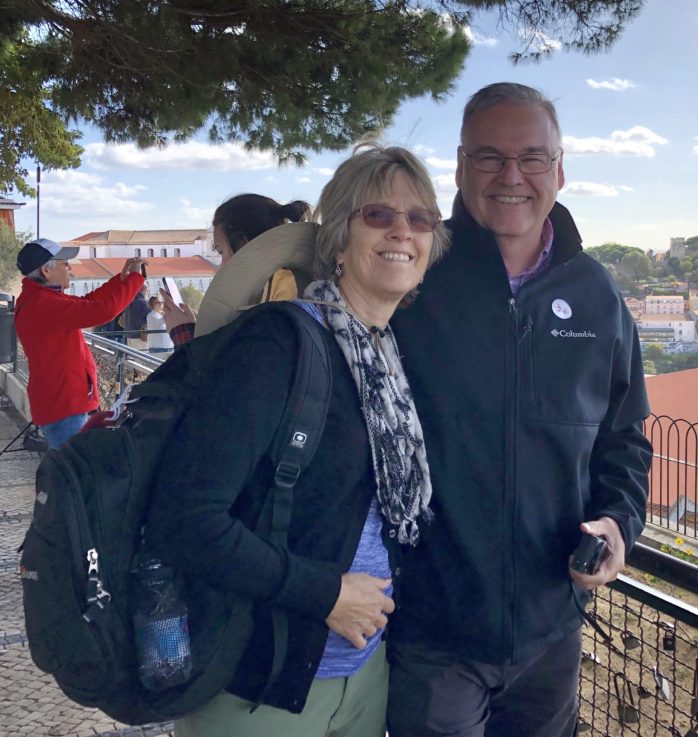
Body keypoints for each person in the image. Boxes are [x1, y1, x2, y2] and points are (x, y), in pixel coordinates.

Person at [145, 141, 450, 737]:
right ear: (339, 236)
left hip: (363, 676)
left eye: (420, 219)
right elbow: (184, 519)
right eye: (378, 215)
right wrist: (326, 594)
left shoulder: (386, 356)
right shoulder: (276, 344)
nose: (402, 231)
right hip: (259, 686)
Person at [388, 83, 653, 737]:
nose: (512, 177)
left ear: (559, 170)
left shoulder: (596, 294)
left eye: (532, 158)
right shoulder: (410, 277)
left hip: (551, 630)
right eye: (489, 157)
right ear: (458, 167)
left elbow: (625, 439)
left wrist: (620, 523)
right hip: (432, 627)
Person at [13, 238, 146, 448]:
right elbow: (102, 311)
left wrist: (121, 281)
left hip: (63, 404)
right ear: (46, 271)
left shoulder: (41, 299)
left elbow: (89, 301)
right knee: (77, 475)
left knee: (77, 471)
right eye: (64, 263)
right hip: (65, 407)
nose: (70, 268)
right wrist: (135, 280)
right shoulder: (43, 304)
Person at [161, 195, 311, 346]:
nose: (220, 267)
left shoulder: (270, 303)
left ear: (244, 246)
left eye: (221, 252)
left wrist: (183, 333)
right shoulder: (296, 283)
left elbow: (239, 364)